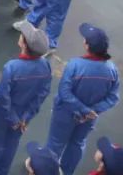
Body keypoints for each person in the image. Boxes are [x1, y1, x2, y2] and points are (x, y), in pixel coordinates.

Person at [46, 23, 120, 175]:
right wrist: (92, 111)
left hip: (66, 114)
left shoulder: (75, 65)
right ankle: (67, 171)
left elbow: (64, 92)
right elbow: (113, 97)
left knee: (56, 143)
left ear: (87, 45)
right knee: (77, 143)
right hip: (89, 119)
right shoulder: (112, 70)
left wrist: (83, 109)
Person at [0, 23, 53, 175]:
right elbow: (42, 94)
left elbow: (4, 96)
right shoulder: (45, 66)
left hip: (1, 115)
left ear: (24, 44)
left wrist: (13, 118)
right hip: (23, 116)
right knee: (11, 145)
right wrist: (25, 117)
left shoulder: (12, 67)